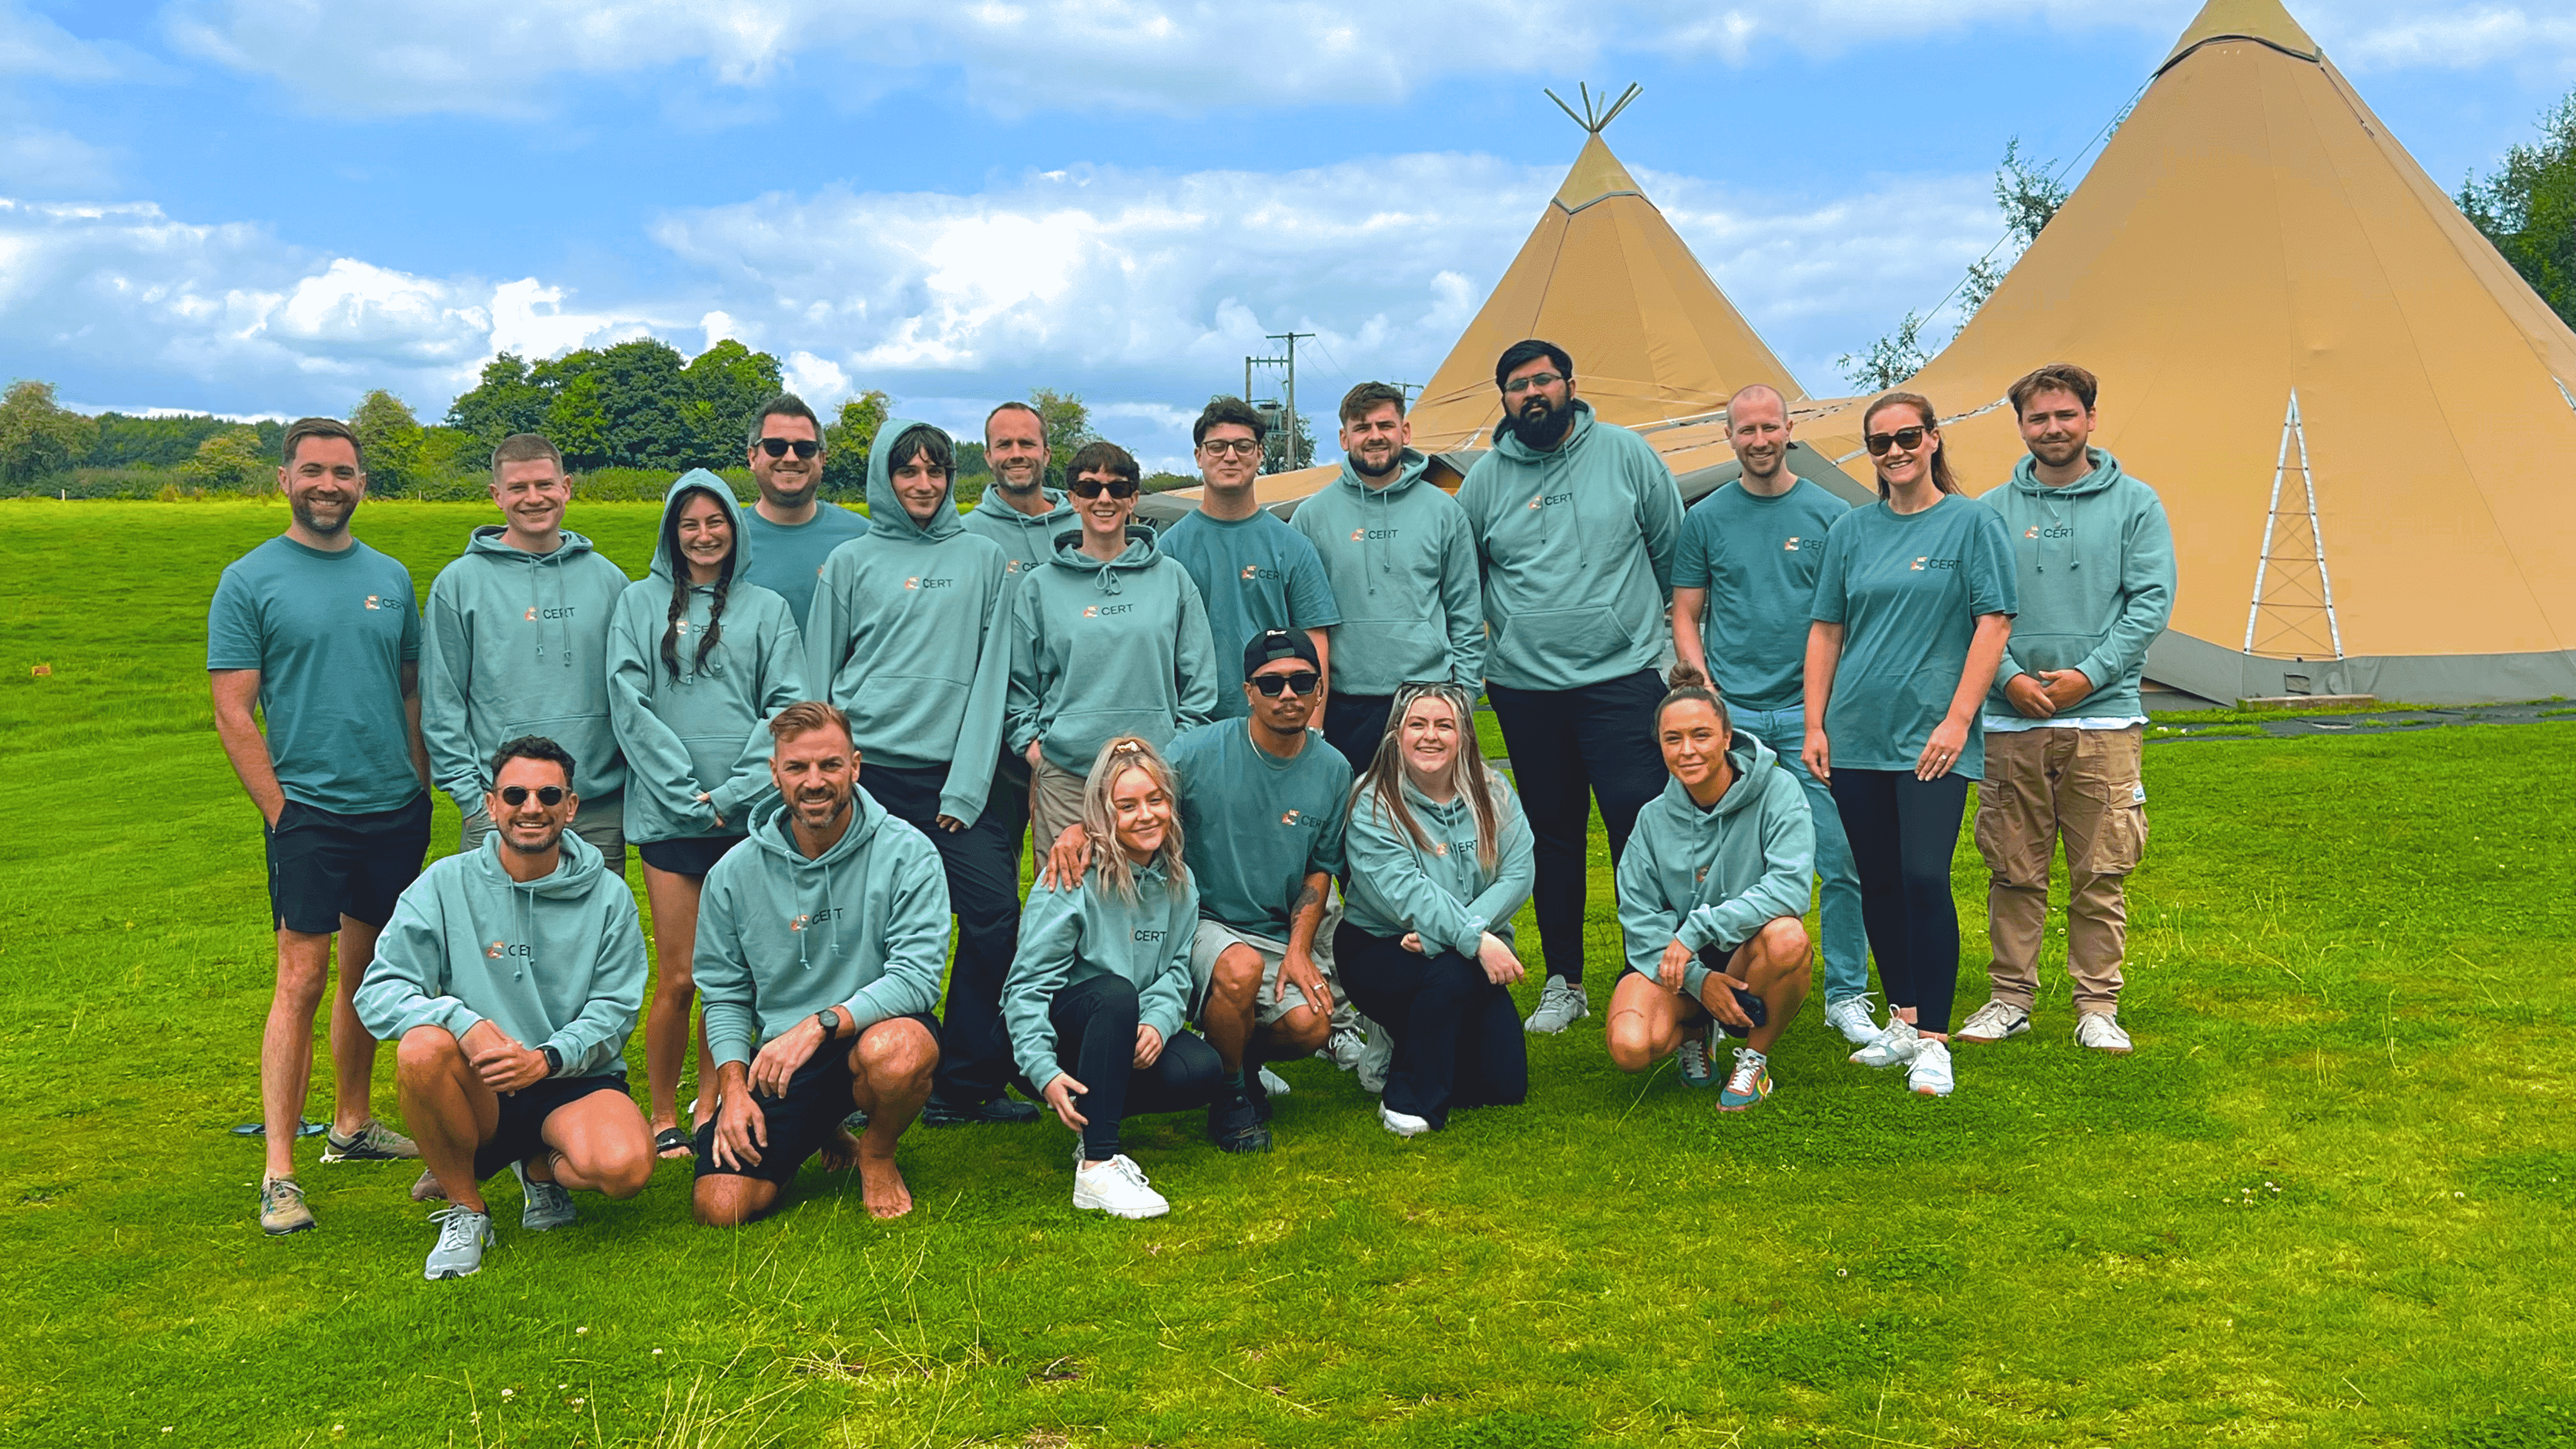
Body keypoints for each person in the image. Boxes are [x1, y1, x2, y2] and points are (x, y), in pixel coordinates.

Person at [209, 416, 430, 1234]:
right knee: (300, 982)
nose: (328, 484)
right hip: (308, 812)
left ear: (362, 484)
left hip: (392, 811)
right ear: (285, 480)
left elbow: (408, 687)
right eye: (313, 471)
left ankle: (351, 1125)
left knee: (370, 976)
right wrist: (280, 810)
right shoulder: (251, 579)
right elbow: (233, 708)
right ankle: (279, 1171)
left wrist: (417, 781)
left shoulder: (392, 577)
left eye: (343, 472)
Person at [355, 736, 654, 1280]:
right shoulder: (443, 885)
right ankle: (468, 1209)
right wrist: (462, 1024)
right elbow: (377, 991)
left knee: (625, 1170)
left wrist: (549, 1058)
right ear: (492, 806)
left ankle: (540, 1168)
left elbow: (615, 1008)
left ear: (571, 806)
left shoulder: (609, 896)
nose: (531, 807)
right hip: (483, 1080)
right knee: (423, 1047)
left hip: (571, 1077)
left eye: (548, 795)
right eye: (515, 794)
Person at [1042, 631, 1350, 1153]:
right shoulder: (1199, 750)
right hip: (1198, 918)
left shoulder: (1333, 769)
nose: (1288, 695)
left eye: (1302, 681)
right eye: (1272, 684)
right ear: (1248, 691)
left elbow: (1320, 870)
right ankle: (1231, 1097)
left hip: (1277, 929)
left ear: (1320, 690)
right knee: (1240, 968)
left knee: (1313, 1027)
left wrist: (1300, 951)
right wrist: (1081, 829)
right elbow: (1133, 789)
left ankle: (1238, 1058)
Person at [806, 420, 1033, 1128]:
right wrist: (831, 775)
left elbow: (993, 679)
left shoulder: (986, 559)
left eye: (937, 471)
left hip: (956, 781)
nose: (924, 485)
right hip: (867, 779)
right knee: (855, 924)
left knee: (994, 918)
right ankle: (843, 1080)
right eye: (909, 472)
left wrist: (966, 787)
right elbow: (820, 682)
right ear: (886, 477)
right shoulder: (849, 562)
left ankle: (963, 1082)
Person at [1453, 339, 1683, 1035]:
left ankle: (1651, 969)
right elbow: (1467, 581)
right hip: (1527, 688)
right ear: (1504, 400)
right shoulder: (1484, 481)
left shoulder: (1627, 454)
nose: (1533, 394)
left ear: (1570, 384)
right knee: (1551, 836)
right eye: (1518, 386)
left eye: (1543, 381)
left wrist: (1671, 650)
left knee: (1637, 828)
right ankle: (1565, 982)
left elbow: (1673, 549)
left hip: (1624, 676)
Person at [1803, 392, 2016, 1099]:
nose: (1894, 452)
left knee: (1924, 877)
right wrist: (1815, 724)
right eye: (1880, 442)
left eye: (1906, 437)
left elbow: (1992, 626)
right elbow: (1827, 631)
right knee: (1879, 881)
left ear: (1932, 440)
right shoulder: (1851, 532)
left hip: (1933, 738)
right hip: (1857, 732)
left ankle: (1934, 1041)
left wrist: (1958, 720)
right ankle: (1902, 1017)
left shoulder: (1972, 524)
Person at [1959, 364, 2174, 1055]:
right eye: (2038, 419)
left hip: (2104, 718)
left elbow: (2149, 605)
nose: (2052, 429)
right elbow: (1971, 605)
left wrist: (2088, 675)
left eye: (2065, 416)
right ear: (2021, 427)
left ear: (2090, 418)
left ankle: (2097, 1006)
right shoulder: (1990, 512)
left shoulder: (2136, 504)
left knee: (2100, 872)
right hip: (2012, 721)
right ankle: (2010, 999)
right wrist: (2012, 680)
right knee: (2013, 870)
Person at [606, 471, 807, 1159]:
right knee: (681, 974)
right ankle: (661, 1108)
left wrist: (733, 793)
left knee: (735, 974)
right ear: (672, 531)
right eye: (689, 524)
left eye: (715, 523)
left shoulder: (768, 609)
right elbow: (628, 701)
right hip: (669, 820)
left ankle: (712, 1099)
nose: (703, 536)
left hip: (744, 820)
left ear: (734, 529)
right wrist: (680, 788)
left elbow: (785, 705)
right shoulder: (638, 604)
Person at [691, 702, 949, 1224]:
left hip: (871, 1029)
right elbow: (724, 993)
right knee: (721, 1207)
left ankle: (876, 1154)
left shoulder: (909, 853)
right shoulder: (732, 873)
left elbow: (918, 977)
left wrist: (819, 1024)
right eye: (797, 768)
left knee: (899, 1052)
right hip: (780, 1061)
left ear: (855, 766)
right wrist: (734, 1090)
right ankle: (821, 1128)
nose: (815, 782)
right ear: (774, 773)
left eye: (830, 765)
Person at [1668, 384, 1869, 1045]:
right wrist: (1706, 693)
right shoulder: (1706, 520)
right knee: (1734, 869)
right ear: (1730, 438)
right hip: (1738, 721)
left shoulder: (1832, 515)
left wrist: (1827, 708)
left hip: (1812, 716)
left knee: (1842, 859)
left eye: (1769, 428)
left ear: (1791, 431)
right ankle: (1735, 995)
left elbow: (1847, 620)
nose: (1759, 441)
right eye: (1745, 430)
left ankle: (1846, 992)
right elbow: (1686, 614)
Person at [1004, 737, 1224, 1219]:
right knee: (1115, 994)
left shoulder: (1179, 881)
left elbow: (1176, 972)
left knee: (1203, 1070)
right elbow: (1025, 989)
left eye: (1156, 800)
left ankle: (1094, 1122)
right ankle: (1098, 1167)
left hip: (1124, 1030)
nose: (1145, 815)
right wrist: (1042, 1070)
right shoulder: (1071, 878)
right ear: (1103, 815)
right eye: (1127, 806)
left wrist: (1159, 1023)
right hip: (1059, 1037)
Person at [1606, 668, 1816, 1110]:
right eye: (1673, 739)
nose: (1687, 751)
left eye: (1701, 735)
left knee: (1789, 938)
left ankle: (1754, 1059)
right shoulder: (1651, 818)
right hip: (1676, 965)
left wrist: (1696, 932)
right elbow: (1639, 916)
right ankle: (1696, 1033)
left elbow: (1790, 888)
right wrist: (1700, 982)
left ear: (1726, 737)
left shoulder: (1779, 791)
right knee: (1630, 1048)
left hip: (1747, 949)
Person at [422, 433, 630, 866]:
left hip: (595, 807)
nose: (533, 499)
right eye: (518, 488)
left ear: (567, 488)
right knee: (498, 933)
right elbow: (442, 703)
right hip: (504, 806)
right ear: (498, 496)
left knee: (594, 931)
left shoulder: (610, 581)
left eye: (544, 485)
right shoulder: (459, 584)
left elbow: (632, 693)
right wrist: (473, 800)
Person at [1336, 681, 1534, 1136]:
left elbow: (1518, 875)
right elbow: (1405, 893)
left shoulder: (1494, 792)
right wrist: (1477, 941)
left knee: (1504, 1085)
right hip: (1381, 948)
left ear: (1463, 735)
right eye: (1418, 724)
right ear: (1396, 735)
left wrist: (1457, 936)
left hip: (1450, 945)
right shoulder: (1371, 801)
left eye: (1444, 725)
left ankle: (1404, 1040)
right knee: (1455, 973)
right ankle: (1409, 1100)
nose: (1431, 736)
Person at [1007, 440, 1221, 849]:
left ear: (1133, 499)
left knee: (1153, 898)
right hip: (1068, 778)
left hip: (1153, 779)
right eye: (1090, 488)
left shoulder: (1173, 579)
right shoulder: (1040, 587)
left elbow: (1199, 679)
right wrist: (1035, 750)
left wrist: (1176, 751)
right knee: (1069, 898)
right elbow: (1018, 682)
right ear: (1073, 499)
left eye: (1117, 488)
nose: (1104, 499)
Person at [1289, 382, 1484, 774]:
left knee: (1427, 827)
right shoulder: (1311, 517)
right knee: (1347, 827)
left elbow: (1466, 613)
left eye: (1385, 425)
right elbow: (1299, 621)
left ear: (1405, 432)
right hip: (1344, 704)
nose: (1375, 436)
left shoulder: (1445, 512)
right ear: (1345, 438)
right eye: (1362, 428)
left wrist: (1462, 698)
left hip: (1427, 701)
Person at [1157, 397, 1340, 722]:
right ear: (1199, 456)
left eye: (1243, 446)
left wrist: (1313, 731)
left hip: (1279, 724)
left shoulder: (1293, 546)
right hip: (1192, 725)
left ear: (1260, 455)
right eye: (1217, 447)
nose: (1231, 456)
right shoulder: (1169, 548)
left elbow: (1315, 641)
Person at [737, 393, 868, 630]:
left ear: (823, 458)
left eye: (805, 448)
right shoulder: (725, 539)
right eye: (775, 447)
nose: (790, 458)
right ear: (753, 457)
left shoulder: (863, 538)